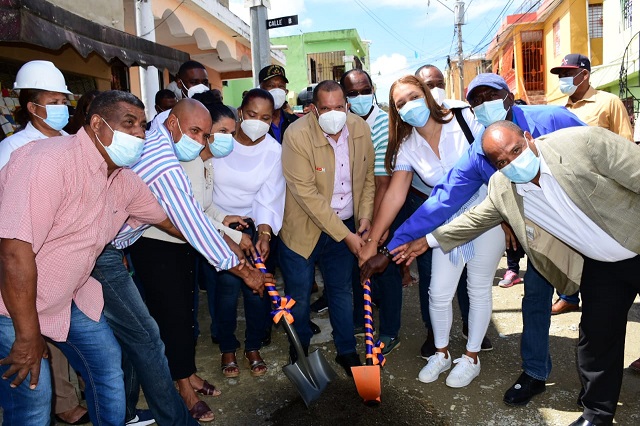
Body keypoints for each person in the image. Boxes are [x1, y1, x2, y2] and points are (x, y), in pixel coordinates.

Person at [394, 122, 640, 426]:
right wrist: (424, 242)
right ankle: (597, 415)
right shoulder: (502, 188)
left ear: (528, 138)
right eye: (501, 162)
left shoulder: (583, 143)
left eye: (516, 150)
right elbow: (473, 220)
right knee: (598, 340)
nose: (512, 162)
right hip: (602, 266)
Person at [361, 73, 586, 405]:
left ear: (509, 96)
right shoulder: (478, 150)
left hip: (583, 222)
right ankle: (534, 373)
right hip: (525, 228)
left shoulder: (549, 117)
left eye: (488, 97)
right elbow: (442, 200)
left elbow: (597, 153)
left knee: (599, 304)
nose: (482, 107)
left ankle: (596, 389)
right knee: (532, 300)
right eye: (476, 100)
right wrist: (388, 245)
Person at [0, 89, 177, 425]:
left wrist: (233, 247)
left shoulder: (122, 179)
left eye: (142, 125)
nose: (140, 133)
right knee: (34, 400)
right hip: (9, 305)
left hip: (67, 296)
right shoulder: (48, 161)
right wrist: (27, 336)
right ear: (97, 124)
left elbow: (173, 221)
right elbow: (12, 253)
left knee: (107, 368)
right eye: (129, 124)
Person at [92, 98, 273, 425]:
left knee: (176, 321)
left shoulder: (171, 138)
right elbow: (190, 222)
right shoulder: (164, 162)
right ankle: (178, 404)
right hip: (129, 248)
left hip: (130, 239)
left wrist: (228, 233)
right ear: (173, 123)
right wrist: (245, 271)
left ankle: (177, 383)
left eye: (205, 134)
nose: (203, 140)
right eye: (198, 131)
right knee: (150, 334)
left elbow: (193, 214)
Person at [360, 75, 503, 388]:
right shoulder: (408, 146)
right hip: (444, 227)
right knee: (438, 292)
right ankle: (441, 353)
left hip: (484, 216)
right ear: (396, 113)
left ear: (426, 94)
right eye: (400, 104)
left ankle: (471, 357)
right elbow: (396, 195)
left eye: (413, 96)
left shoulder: (463, 118)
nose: (409, 106)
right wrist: (372, 243)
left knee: (477, 289)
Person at [0, 59, 90, 425]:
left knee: (58, 347)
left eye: (63, 100)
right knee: (29, 355)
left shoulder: (72, 143)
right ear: (32, 107)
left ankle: (65, 404)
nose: (61, 108)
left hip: (64, 270)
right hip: (25, 268)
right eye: (53, 101)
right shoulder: (12, 150)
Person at [279, 80, 375, 376]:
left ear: (346, 106)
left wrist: (365, 218)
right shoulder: (296, 135)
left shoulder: (359, 128)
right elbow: (306, 194)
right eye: (325, 109)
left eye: (338, 107)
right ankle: (299, 352)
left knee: (341, 290)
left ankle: (346, 350)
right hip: (302, 228)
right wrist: (346, 236)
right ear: (312, 109)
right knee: (298, 295)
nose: (333, 114)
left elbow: (367, 177)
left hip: (346, 223)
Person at [549, 53, 635, 315]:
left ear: (584, 74)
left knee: (608, 245)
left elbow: (625, 143)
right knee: (571, 244)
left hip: (603, 188)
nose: (563, 79)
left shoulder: (607, 102)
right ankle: (569, 296)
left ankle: (609, 298)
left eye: (567, 74)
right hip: (570, 188)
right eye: (561, 75)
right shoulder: (560, 110)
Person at [209, 89, 285, 378]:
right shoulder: (221, 141)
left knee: (257, 290)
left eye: (265, 117)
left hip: (253, 224)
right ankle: (227, 348)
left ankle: (253, 345)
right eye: (252, 115)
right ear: (241, 113)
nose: (258, 122)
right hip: (216, 223)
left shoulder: (273, 151)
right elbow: (206, 187)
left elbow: (270, 194)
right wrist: (224, 228)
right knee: (226, 292)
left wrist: (264, 232)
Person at [340, 68, 402, 354]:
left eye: (365, 90)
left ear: (373, 89)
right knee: (357, 267)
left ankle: (389, 330)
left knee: (384, 268)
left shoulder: (384, 123)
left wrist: (375, 229)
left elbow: (382, 182)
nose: (361, 97)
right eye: (353, 93)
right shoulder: (344, 123)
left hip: (382, 208)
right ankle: (358, 318)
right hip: (351, 210)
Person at [258, 65, 298, 143]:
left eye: (281, 86)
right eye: (271, 86)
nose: (277, 90)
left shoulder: (294, 122)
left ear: (286, 91)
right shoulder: (255, 123)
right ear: (261, 89)